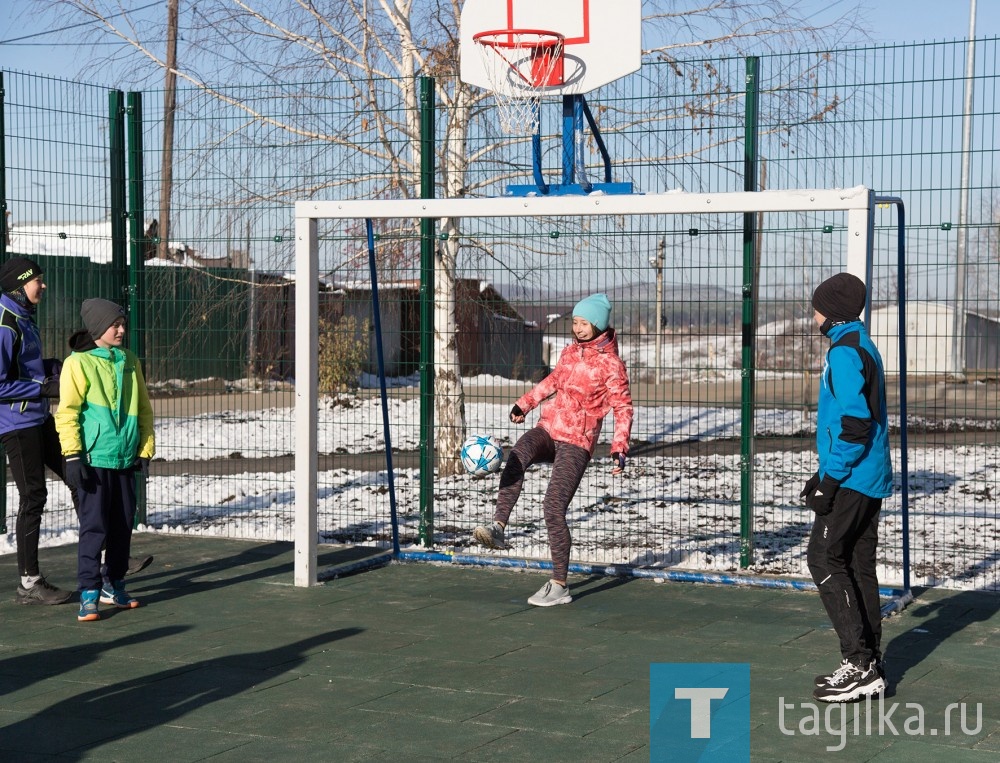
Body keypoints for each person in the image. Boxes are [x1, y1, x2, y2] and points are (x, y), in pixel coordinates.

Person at [473, 293, 633, 607]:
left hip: (577, 441)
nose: (579, 328)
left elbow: (623, 408)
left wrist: (619, 447)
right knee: (518, 453)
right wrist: (525, 404)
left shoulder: (612, 365)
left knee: (552, 507)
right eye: (575, 322)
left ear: (598, 324)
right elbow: (553, 381)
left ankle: (559, 584)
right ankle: (499, 527)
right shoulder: (570, 353)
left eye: (584, 323)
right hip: (550, 427)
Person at [802, 273, 893, 703]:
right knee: (857, 564)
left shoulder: (844, 352)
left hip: (854, 476)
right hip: (867, 474)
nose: (813, 313)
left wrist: (832, 479)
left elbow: (855, 427)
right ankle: (870, 663)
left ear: (831, 311)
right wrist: (824, 474)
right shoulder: (860, 342)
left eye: (817, 306)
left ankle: (858, 662)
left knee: (822, 557)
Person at [55, 298, 155, 622]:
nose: (122, 329)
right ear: (99, 327)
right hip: (94, 459)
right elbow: (67, 413)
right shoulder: (78, 364)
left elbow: (144, 409)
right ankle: (88, 591)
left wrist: (144, 448)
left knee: (123, 526)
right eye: (116, 324)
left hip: (125, 458)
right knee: (94, 528)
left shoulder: (130, 361)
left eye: (123, 324)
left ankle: (116, 583)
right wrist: (72, 456)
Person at [0, 257, 74, 606]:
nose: (42, 286)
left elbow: (24, 367)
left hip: (38, 417)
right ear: (19, 285)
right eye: (37, 281)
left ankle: (108, 556)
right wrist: (43, 388)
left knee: (77, 475)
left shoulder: (24, 316)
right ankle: (29, 582)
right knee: (34, 498)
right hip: (16, 425)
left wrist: (51, 367)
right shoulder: (5, 324)